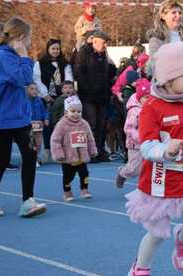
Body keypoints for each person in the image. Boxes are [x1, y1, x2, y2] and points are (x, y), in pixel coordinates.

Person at [125, 42, 183, 275]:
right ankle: (141, 268)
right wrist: (164, 151)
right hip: (160, 181)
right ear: (167, 79)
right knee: (156, 234)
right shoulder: (153, 108)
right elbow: (146, 146)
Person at [0, 17, 47, 217]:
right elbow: (24, 78)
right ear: (20, 37)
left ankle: (28, 200)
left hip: (19, 117)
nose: (30, 42)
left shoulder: (10, 56)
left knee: (29, 155)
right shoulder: (3, 56)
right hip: (2, 117)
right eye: (29, 38)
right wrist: (24, 56)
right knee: (2, 159)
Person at [145, 0, 183, 88]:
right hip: (166, 87)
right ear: (163, 15)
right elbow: (154, 65)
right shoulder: (156, 37)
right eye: (174, 12)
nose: (178, 16)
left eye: (180, 12)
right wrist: (166, 85)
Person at [75, 30, 116, 162]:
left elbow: (108, 74)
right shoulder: (84, 52)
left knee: (102, 125)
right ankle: (90, 151)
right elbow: (80, 73)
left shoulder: (104, 55)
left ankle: (99, 150)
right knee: (91, 124)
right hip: (89, 96)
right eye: (103, 43)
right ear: (95, 41)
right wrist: (87, 91)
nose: (105, 46)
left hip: (102, 95)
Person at [33, 38, 74, 163]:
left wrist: (66, 92)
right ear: (48, 49)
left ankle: (61, 151)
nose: (55, 51)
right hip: (46, 98)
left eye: (57, 48)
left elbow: (68, 78)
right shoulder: (39, 63)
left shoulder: (65, 64)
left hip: (62, 98)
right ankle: (47, 150)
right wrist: (45, 94)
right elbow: (37, 79)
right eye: (53, 49)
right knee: (47, 124)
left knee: (62, 124)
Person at [51, 96, 97, 202]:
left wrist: (92, 150)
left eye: (79, 112)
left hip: (82, 156)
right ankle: (67, 191)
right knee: (68, 176)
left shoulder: (84, 124)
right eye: (73, 111)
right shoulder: (61, 125)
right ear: (66, 112)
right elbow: (55, 140)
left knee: (84, 174)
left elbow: (90, 138)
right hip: (68, 157)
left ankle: (84, 189)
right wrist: (59, 154)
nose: (76, 114)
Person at [115, 88, 149, 188]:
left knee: (150, 168)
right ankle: (122, 173)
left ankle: (145, 188)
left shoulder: (152, 109)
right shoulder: (134, 111)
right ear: (139, 98)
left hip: (150, 143)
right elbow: (129, 128)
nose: (149, 99)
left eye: (151, 97)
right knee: (134, 170)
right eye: (146, 97)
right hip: (136, 145)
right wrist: (140, 137)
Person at [27, 83, 48, 166]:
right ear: (26, 90)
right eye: (32, 89)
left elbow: (44, 111)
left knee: (39, 143)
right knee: (30, 143)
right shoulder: (24, 101)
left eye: (36, 89)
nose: (35, 91)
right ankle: (30, 158)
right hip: (28, 126)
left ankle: (37, 157)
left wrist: (46, 118)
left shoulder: (39, 100)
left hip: (39, 126)